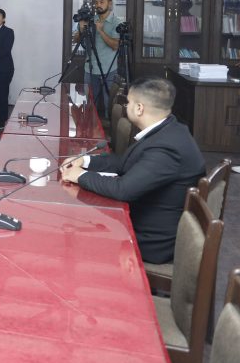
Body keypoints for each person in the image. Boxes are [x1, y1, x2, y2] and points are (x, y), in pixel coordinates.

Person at [59, 77, 205, 264]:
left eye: (128, 102)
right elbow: (124, 163)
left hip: (149, 240)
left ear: (139, 108)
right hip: (144, 218)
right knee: (80, 223)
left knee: (74, 239)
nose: (126, 106)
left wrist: (80, 176)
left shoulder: (167, 148)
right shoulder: (168, 129)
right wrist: (85, 160)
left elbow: (123, 190)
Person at [73, 0, 122, 116]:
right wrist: (81, 30)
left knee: (109, 104)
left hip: (108, 69)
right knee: (89, 102)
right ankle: (90, 126)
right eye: (96, 3)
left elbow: (115, 45)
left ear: (110, 4)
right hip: (90, 69)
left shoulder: (116, 23)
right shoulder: (90, 20)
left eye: (101, 2)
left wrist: (100, 31)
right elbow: (76, 40)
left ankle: (108, 127)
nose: (98, 5)